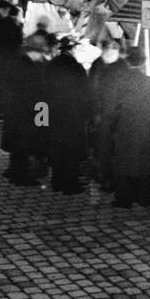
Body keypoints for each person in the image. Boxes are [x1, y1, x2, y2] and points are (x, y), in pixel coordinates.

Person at [0, 31, 53, 185]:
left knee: (18, 144)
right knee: (26, 143)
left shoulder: (20, 62)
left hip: (19, 110)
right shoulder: (32, 68)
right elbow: (40, 93)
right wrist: (43, 119)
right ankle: (20, 175)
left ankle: (14, 170)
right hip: (31, 111)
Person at [109, 48, 150, 208]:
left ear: (128, 60)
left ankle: (124, 198)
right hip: (143, 127)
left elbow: (114, 106)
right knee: (141, 162)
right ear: (143, 62)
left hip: (124, 126)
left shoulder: (121, 80)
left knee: (123, 163)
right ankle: (142, 197)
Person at [46, 36, 91, 194]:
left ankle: (56, 181)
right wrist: (86, 115)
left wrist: (40, 121)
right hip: (72, 117)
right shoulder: (77, 68)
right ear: (72, 49)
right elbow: (85, 94)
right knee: (71, 151)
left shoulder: (50, 66)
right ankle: (70, 184)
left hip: (53, 116)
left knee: (56, 149)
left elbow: (42, 94)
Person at [89, 38, 129, 192]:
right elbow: (91, 89)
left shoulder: (121, 67)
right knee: (102, 148)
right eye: (108, 47)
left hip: (114, 115)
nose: (110, 49)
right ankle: (103, 176)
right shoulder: (97, 64)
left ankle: (109, 178)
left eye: (113, 47)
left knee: (112, 149)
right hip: (101, 114)